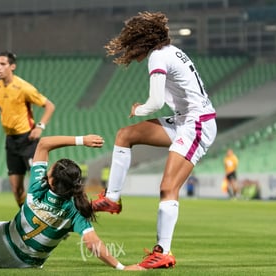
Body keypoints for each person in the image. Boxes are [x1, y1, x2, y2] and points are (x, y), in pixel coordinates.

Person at [91, 12, 217, 269]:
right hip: (185, 120)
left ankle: (163, 252)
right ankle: (112, 198)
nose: (129, 49)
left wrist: (139, 109)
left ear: (143, 40)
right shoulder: (168, 51)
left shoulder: (158, 56)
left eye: (131, 43)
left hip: (197, 124)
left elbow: (156, 102)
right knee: (125, 135)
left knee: (168, 187)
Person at [0, 135, 144, 272]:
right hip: (27, 264)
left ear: (51, 180)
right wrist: (121, 267)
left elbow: (44, 144)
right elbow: (92, 244)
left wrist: (81, 140)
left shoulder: (38, 188)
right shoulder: (76, 210)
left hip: (1, 239)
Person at [0, 51, 55, 207]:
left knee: (40, 185)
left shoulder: (23, 87)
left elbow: (49, 106)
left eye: (2, 64)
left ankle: (52, 217)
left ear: (12, 66)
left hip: (28, 140)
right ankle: (27, 221)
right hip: (11, 141)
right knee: (16, 189)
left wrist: (40, 127)